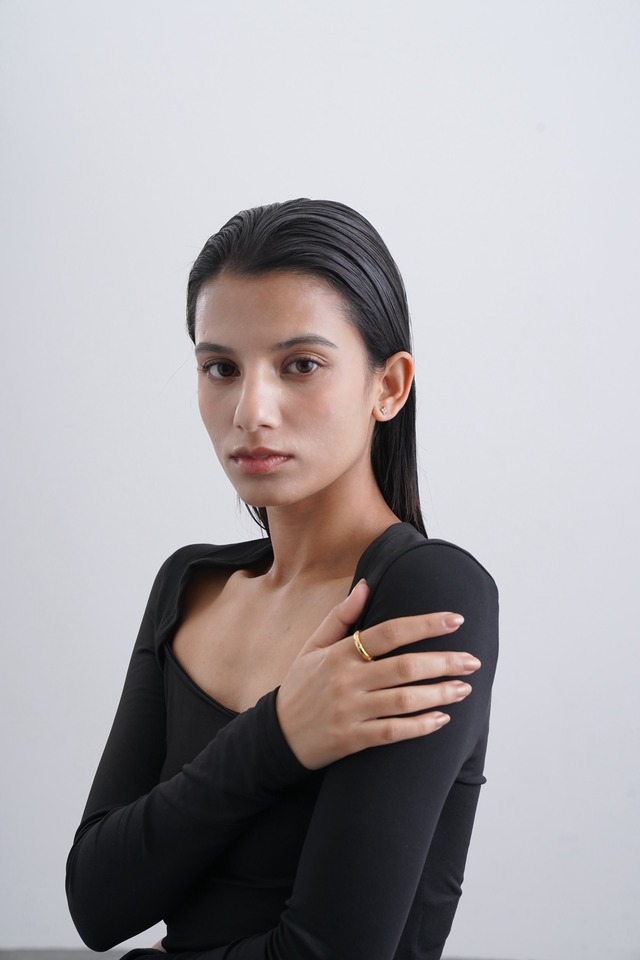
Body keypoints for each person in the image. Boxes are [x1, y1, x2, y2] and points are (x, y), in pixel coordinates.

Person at [66, 199, 499, 960]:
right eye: (221, 368)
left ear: (389, 386)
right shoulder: (189, 586)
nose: (251, 410)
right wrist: (279, 736)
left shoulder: (428, 593)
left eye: (300, 364)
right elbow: (96, 902)